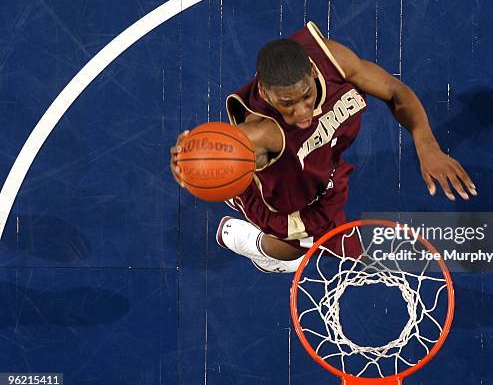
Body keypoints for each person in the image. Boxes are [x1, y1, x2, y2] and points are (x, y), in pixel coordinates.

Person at [170, 22, 476, 273]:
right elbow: (211, 155)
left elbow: (395, 91)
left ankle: (246, 200)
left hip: (323, 166)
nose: (302, 112)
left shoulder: (333, 61)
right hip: (285, 197)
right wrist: (188, 161)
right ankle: (250, 241)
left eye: (305, 96)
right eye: (286, 104)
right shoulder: (259, 134)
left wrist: (427, 146)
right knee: (294, 250)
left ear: (313, 73)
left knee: (326, 220)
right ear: (265, 92)